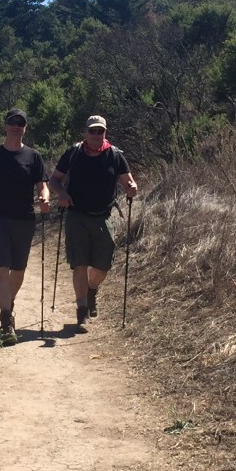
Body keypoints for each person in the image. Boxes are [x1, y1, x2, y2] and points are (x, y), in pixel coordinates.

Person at [49, 115, 138, 333]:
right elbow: (54, 179)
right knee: (79, 264)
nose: (96, 135)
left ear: (105, 133)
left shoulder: (114, 155)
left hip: (103, 216)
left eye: (100, 131)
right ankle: (82, 312)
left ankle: (91, 290)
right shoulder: (74, 153)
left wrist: (132, 187)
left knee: (102, 266)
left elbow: (128, 181)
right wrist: (61, 194)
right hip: (76, 214)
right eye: (92, 131)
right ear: (85, 132)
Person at [0, 108, 50, 345]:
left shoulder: (33, 157)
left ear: (25, 128)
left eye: (21, 123)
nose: (16, 126)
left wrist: (45, 198)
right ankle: (7, 320)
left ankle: (7, 303)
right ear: (5, 126)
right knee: (1, 269)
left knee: (19, 270)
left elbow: (42, 185)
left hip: (24, 219)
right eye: (12, 122)